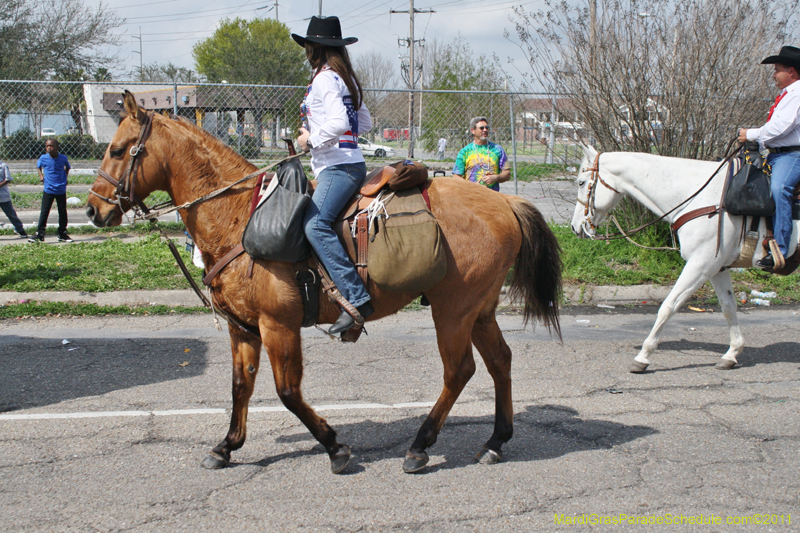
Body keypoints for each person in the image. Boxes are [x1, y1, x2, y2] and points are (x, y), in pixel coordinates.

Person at [293, 15, 374, 335]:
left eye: (308, 46)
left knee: (315, 224)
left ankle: (356, 298)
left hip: (338, 166)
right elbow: (362, 124)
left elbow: (340, 120)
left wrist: (309, 139)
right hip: (349, 162)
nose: (306, 52)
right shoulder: (345, 79)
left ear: (316, 48)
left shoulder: (326, 79)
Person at [738, 45, 800, 268]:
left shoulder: (798, 94)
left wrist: (750, 134)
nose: (774, 75)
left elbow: (780, 128)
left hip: (792, 156)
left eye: (777, 69)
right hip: (775, 155)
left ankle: (780, 250)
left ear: (791, 71)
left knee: (779, 188)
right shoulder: (787, 95)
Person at [452, 117, 511, 191]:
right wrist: (472, 186)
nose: (485, 130)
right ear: (473, 130)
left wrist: (495, 178)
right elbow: (456, 176)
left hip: (492, 197)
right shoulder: (465, 152)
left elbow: (507, 173)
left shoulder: (497, 149)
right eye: (481, 128)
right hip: (471, 197)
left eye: (487, 127)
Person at [30, 138, 72, 243]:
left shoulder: (63, 158)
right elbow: (38, 166)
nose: (49, 148)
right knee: (44, 212)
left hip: (60, 189)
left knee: (62, 212)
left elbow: (68, 167)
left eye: (51, 146)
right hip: (48, 189)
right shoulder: (43, 158)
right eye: (47, 146)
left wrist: (65, 179)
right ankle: (40, 234)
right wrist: (41, 175)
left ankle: (62, 233)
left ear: (57, 147)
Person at [0, 159, 28, 238]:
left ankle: (19, 229)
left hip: (3, 196)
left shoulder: (3, 166)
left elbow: (8, 179)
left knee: (11, 214)